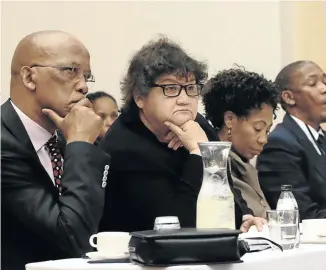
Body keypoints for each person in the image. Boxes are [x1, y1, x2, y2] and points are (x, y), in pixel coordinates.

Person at [98, 37, 264, 233]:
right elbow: (178, 224)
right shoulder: (124, 147)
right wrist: (198, 152)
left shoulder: (197, 125)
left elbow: (225, 188)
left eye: (191, 88)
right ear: (140, 97)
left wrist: (243, 216)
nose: (185, 100)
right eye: (171, 89)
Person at [1, 30, 110, 270]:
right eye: (70, 70)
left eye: (87, 76)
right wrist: (80, 144)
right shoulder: (3, 144)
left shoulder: (66, 136)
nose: (83, 86)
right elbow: (72, 237)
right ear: (29, 77)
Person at [257, 60, 326, 220]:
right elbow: (302, 214)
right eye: (313, 83)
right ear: (289, 97)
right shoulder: (279, 145)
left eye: (325, 82)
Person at [201, 68, 278, 218]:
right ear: (229, 119)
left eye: (267, 131)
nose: (264, 140)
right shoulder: (214, 168)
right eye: (258, 128)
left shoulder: (245, 166)